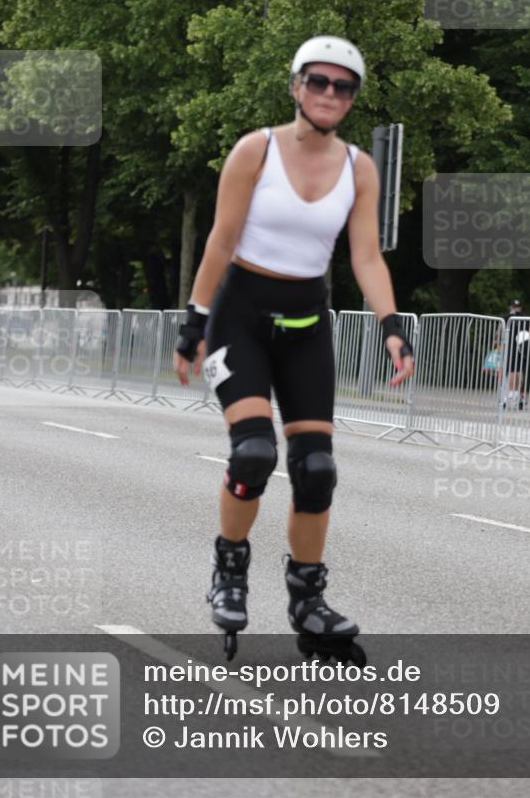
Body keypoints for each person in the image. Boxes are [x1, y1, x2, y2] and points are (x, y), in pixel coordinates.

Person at [173, 35, 414, 660]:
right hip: (240, 320)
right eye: (318, 81)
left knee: (316, 469)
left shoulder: (359, 168)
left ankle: (308, 598)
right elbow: (221, 240)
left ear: (352, 98)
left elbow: (366, 256)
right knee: (254, 453)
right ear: (296, 86)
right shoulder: (255, 150)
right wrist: (194, 323)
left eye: (343, 86)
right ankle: (230, 570)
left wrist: (392, 326)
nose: (330, 93)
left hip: (307, 324)